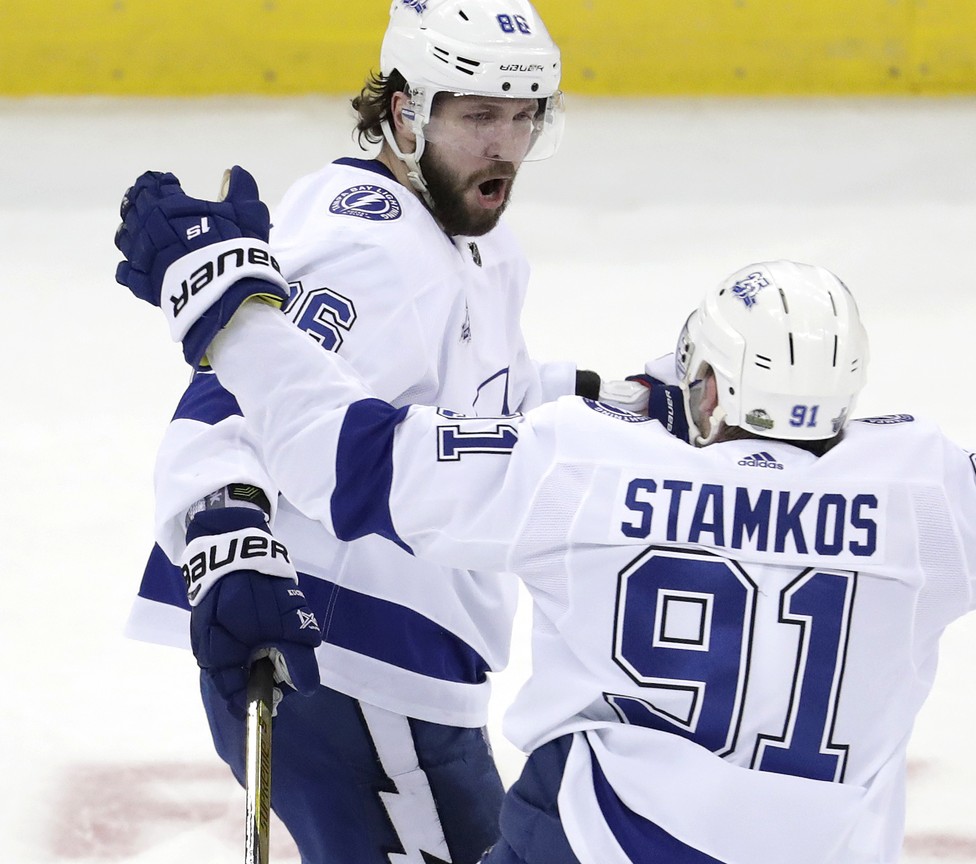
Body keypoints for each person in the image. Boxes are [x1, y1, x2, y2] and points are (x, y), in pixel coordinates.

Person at [114, 167, 976, 862]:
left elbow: (346, 453)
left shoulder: (584, 468)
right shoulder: (923, 492)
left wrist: (232, 306)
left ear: (713, 384)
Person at [120, 2, 671, 861]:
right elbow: (246, 383)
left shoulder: (477, 248)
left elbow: (492, 401)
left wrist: (628, 401)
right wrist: (224, 527)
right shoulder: (367, 242)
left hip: (407, 679)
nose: (506, 147)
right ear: (406, 111)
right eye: (480, 116)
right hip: (338, 663)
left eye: (524, 117)